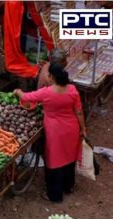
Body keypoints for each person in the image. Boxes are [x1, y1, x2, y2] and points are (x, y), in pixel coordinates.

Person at [14, 64, 87, 203]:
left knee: (54, 162)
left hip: (55, 132)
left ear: (52, 77)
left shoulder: (46, 92)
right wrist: (83, 129)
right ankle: (68, 187)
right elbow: (79, 112)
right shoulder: (72, 90)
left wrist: (18, 92)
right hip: (71, 128)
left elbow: (27, 97)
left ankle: (55, 195)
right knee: (69, 158)